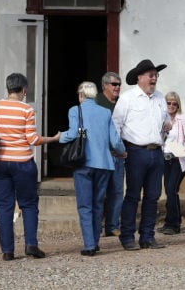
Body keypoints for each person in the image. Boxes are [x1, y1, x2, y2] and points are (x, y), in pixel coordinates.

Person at [0, 73, 60, 261]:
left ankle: (8, 251)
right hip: (23, 163)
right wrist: (54, 138)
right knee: (29, 204)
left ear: (8, 88)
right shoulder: (27, 110)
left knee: (4, 207)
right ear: (23, 90)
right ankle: (31, 245)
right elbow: (33, 140)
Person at [60, 81, 126, 256]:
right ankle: (95, 241)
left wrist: (59, 137)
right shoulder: (105, 112)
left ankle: (89, 244)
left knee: (84, 205)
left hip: (83, 163)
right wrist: (122, 152)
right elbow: (115, 140)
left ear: (81, 95)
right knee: (97, 204)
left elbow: (73, 134)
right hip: (104, 164)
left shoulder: (75, 110)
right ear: (95, 95)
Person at [112, 59, 171, 250]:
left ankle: (147, 236)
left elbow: (166, 121)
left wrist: (167, 125)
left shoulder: (161, 97)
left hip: (156, 152)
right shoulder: (127, 98)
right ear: (140, 78)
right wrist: (119, 150)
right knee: (133, 196)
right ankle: (128, 237)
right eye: (151, 75)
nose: (154, 79)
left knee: (153, 197)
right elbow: (116, 125)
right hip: (135, 152)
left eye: (156, 75)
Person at [158, 91, 185, 235]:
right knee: (169, 190)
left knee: (171, 189)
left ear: (178, 105)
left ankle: (174, 224)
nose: (171, 106)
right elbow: (158, 138)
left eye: (174, 103)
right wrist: (163, 132)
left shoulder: (182, 119)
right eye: (168, 103)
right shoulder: (162, 118)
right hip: (165, 158)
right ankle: (171, 221)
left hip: (179, 158)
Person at [95, 72, 126, 238]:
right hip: (101, 155)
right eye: (114, 84)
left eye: (119, 84)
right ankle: (96, 226)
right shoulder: (96, 102)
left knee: (117, 191)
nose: (117, 87)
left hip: (118, 155)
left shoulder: (122, 104)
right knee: (100, 192)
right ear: (105, 85)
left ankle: (112, 225)